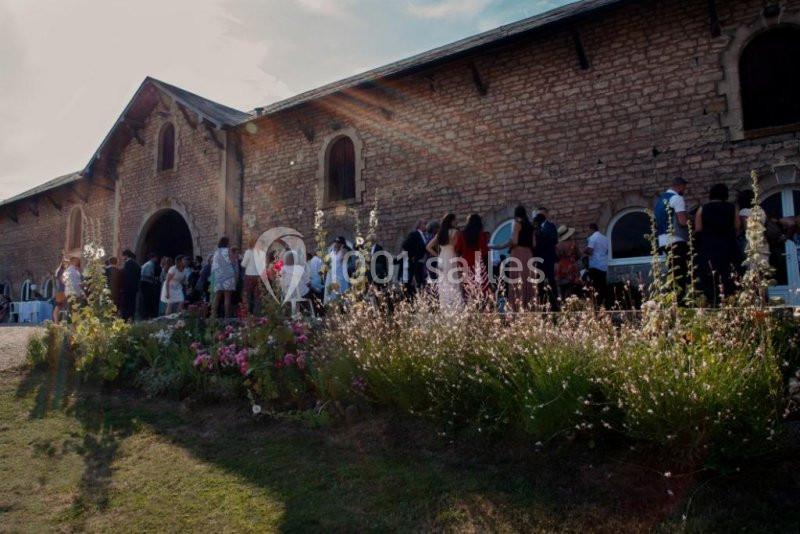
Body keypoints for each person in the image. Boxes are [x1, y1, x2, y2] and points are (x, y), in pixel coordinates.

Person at [694, 183, 740, 306]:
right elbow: (737, 227)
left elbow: (698, 229)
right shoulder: (732, 208)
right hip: (728, 249)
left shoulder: (702, 209)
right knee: (729, 280)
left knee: (710, 282)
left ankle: (712, 305)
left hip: (709, 250)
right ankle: (731, 306)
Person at [491, 205, 537, 310]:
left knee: (517, 278)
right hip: (528, 254)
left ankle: (518, 306)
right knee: (528, 279)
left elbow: (515, 241)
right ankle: (530, 306)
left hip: (518, 253)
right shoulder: (530, 226)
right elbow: (534, 244)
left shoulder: (517, 223)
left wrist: (506, 244)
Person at [654, 177, 690, 303]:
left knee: (673, 270)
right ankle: (680, 301)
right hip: (676, 238)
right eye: (684, 187)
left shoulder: (659, 201)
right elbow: (682, 221)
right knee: (681, 271)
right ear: (680, 186)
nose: (684, 190)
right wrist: (692, 221)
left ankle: (672, 299)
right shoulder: (677, 198)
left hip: (662, 240)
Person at [426, 213, 463, 311]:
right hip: (451, 257)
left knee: (443, 282)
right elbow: (456, 246)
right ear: (451, 221)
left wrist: (437, 255)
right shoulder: (455, 232)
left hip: (442, 258)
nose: (457, 221)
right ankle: (456, 307)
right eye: (455, 220)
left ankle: (445, 307)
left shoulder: (440, 233)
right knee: (454, 281)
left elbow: (428, 247)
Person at [454, 213, 490, 301]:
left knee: (468, 288)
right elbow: (484, 251)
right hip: (478, 261)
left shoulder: (462, 234)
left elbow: (458, 249)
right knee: (481, 287)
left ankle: (471, 305)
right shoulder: (481, 235)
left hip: (465, 261)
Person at [534, 208, 559, 310]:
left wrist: (541, 234)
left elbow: (554, 240)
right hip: (539, 259)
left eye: (541, 214)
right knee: (540, 283)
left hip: (548, 258)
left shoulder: (550, 226)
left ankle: (554, 306)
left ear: (545, 215)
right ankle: (543, 306)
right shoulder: (536, 227)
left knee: (550, 281)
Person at [583, 223, 610, 307]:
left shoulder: (593, 238)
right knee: (603, 285)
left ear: (591, 229)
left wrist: (584, 250)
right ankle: (605, 304)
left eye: (588, 230)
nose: (588, 232)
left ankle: (597, 304)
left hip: (595, 265)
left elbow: (590, 250)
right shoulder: (605, 238)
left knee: (595, 286)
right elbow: (607, 251)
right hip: (603, 265)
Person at [401, 220, 429, 298]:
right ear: (419, 225)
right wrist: (412, 256)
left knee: (423, 281)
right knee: (418, 281)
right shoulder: (414, 234)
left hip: (423, 262)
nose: (426, 226)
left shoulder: (425, 235)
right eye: (424, 224)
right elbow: (405, 245)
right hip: (415, 262)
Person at [212, 237, 236, 318]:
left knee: (217, 296)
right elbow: (233, 262)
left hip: (218, 275)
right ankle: (227, 316)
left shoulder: (216, 252)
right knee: (227, 296)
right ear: (227, 243)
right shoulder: (229, 251)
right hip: (228, 275)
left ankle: (213, 315)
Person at [324, 237, 351, 305]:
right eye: (335, 242)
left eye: (338, 242)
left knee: (342, 293)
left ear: (341, 244)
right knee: (332, 294)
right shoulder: (332, 252)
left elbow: (342, 259)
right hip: (332, 275)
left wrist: (341, 248)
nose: (336, 244)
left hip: (341, 276)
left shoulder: (344, 251)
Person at [241, 237, 262, 314]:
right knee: (257, 296)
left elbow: (243, 264)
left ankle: (247, 313)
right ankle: (257, 312)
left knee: (247, 294)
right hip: (258, 276)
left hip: (249, 275)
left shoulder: (248, 252)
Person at [119, 249, 140, 321]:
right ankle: (132, 317)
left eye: (123, 256)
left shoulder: (127, 264)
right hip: (134, 288)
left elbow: (126, 276)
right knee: (132, 303)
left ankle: (125, 318)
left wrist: (122, 287)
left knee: (126, 303)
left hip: (127, 288)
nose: (123, 258)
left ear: (126, 256)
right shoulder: (136, 264)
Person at [139, 253, 160, 319]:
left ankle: (144, 314)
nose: (157, 259)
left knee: (145, 299)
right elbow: (148, 274)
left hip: (143, 283)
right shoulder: (151, 264)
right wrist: (154, 279)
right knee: (147, 299)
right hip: (147, 283)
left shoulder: (146, 264)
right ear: (153, 258)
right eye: (156, 258)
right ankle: (145, 315)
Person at [53, 257, 69, 323]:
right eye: (66, 263)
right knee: (58, 308)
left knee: (61, 307)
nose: (67, 264)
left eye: (67, 263)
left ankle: (59, 322)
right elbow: (62, 281)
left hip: (63, 291)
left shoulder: (62, 270)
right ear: (63, 263)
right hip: (62, 292)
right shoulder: (61, 271)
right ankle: (56, 323)